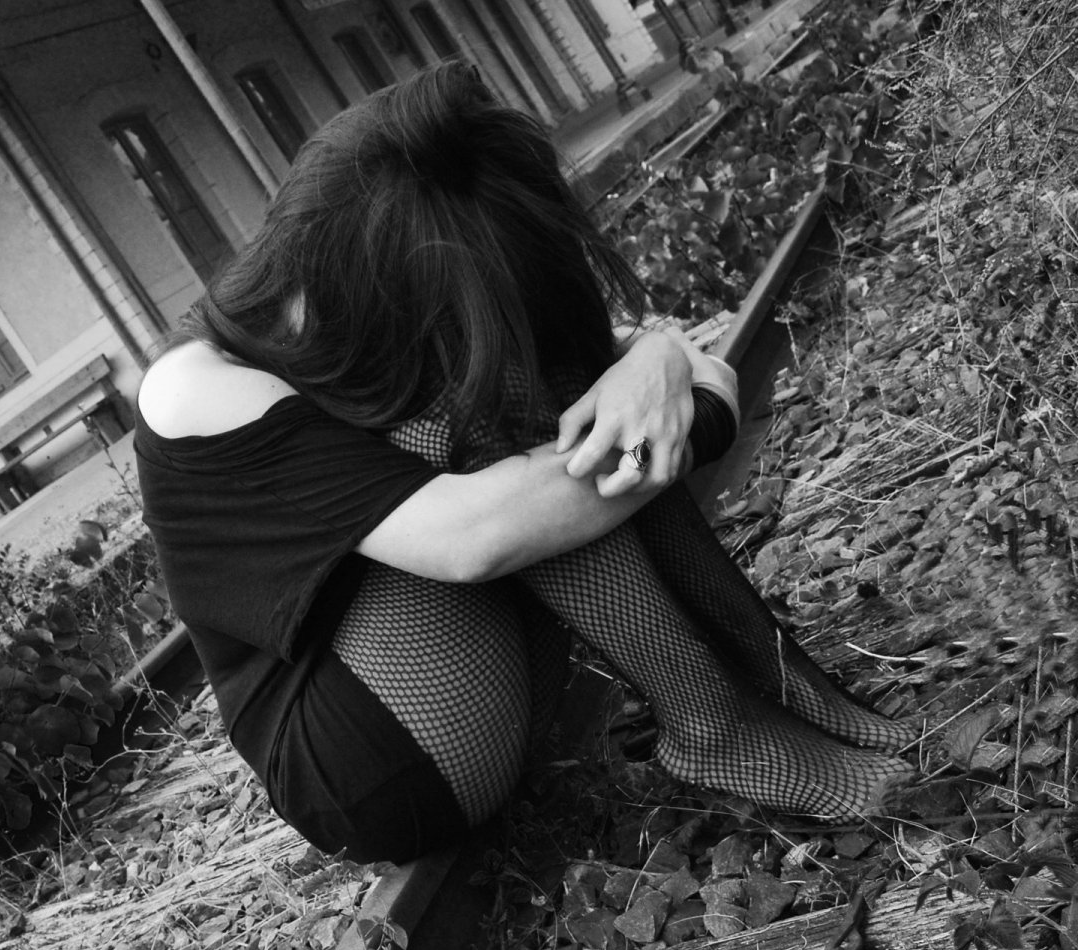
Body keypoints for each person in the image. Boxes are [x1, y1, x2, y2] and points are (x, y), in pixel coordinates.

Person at [134, 63, 912, 865]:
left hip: (495, 676)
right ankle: (716, 725)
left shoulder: (389, 311)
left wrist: (655, 365)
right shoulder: (198, 384)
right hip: (370, 756)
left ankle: (774, 679)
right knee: (497, 413)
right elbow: (476, 535)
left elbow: (686, 375)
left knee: (543, 382)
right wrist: (658, 406)